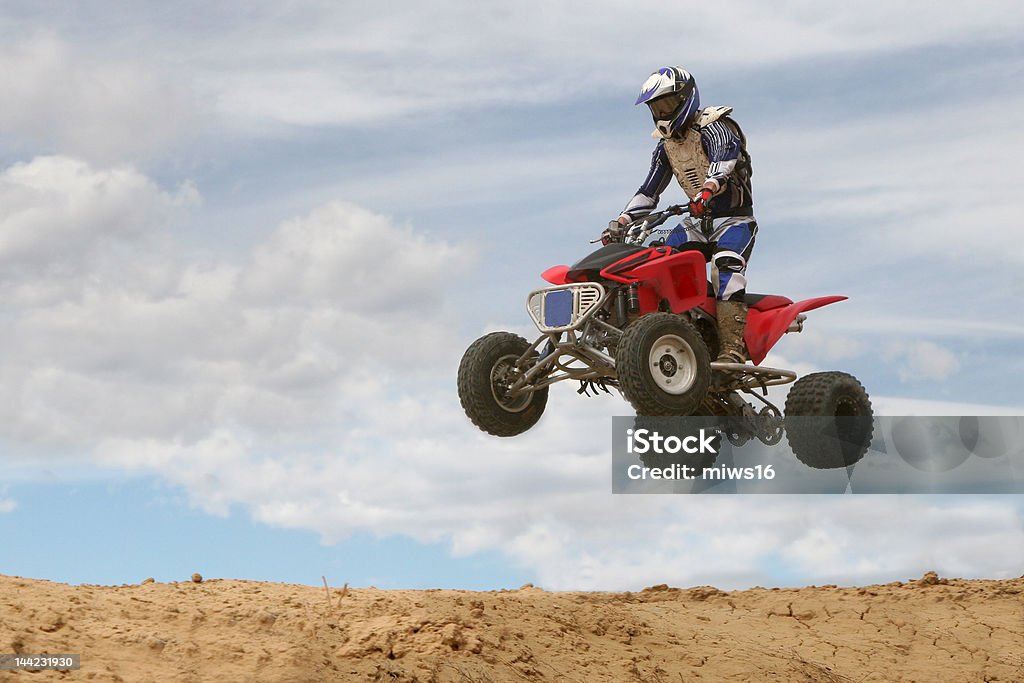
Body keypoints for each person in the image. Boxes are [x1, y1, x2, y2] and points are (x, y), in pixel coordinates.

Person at [602, 66, 756, 365]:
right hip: (696, 223)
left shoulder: (715, 126)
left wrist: (708, 190)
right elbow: (649, 190)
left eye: (668, 104)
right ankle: (657, 336)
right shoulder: (665, 146)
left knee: (727, 268)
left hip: (734, 220)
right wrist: (622, 221)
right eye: (657, 107)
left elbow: (725, 158)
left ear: (687, 97)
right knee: (655, 263)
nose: (663, 112)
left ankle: (732, 349)